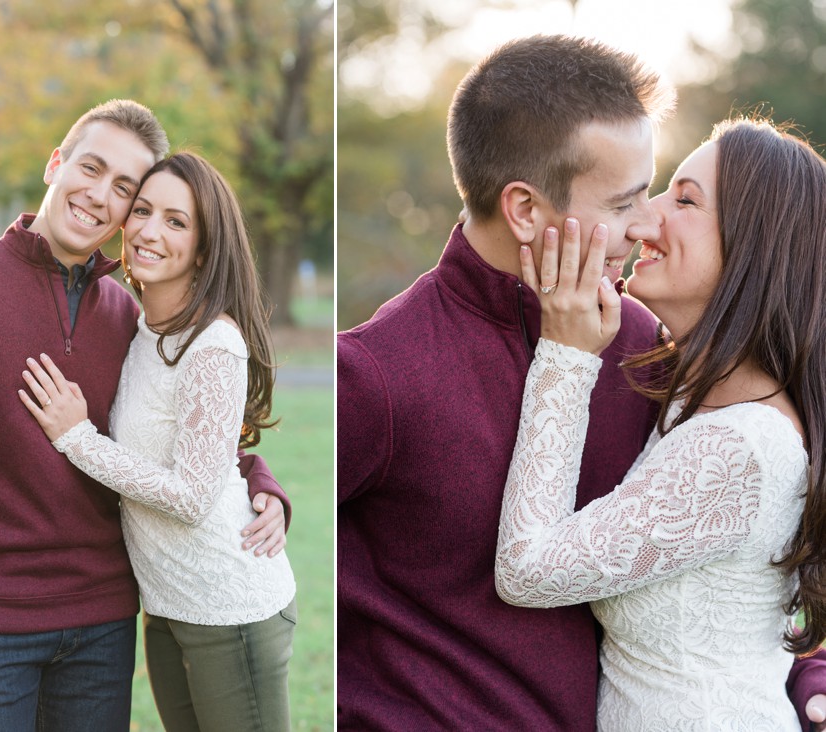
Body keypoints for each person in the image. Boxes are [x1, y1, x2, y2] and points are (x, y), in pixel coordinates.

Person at [337, 35, 826, 730]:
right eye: (626, 202)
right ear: (527, 211)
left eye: (666, 197)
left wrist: (802, 666)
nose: (646, 222)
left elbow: (736, 558)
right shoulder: (376, 372)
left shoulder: (645, 351)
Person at [0, 100, 290, 731]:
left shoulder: (126, 316)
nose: (99, 196)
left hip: (103, 621)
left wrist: (262, 483)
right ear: (56, 164)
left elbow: (191, 430)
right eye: (91, 167)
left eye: (124, 190)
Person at [495, 117, 826, 729]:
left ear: (754, 245)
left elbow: (527, 569)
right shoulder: (694, 397)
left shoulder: (741, 449)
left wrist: (565, 356)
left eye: (685, 200)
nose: (642, 220)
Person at [18, 151, 297, 732]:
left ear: (205, 245)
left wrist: (77, 438)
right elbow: (211, 450)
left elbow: (194, 498)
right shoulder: (139, 326)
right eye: (142, 210)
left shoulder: (213, 344)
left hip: (228, 605)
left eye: (177, 221)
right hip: (167, 605)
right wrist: (263, 480)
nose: (148, 231)